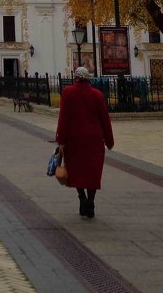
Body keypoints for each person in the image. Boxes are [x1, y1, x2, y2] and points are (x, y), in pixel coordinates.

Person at [55, 66, 114, 219]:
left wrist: (60, 139)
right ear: (89, 78)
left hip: (74, 140)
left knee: (77, 171)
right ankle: (91, 202)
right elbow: (105, 120)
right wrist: (109, 141)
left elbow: (63, 118)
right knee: (92, 172)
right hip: (94, 140)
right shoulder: (97, 95)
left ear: (75, 78)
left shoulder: (68, 93)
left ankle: (82, 198)